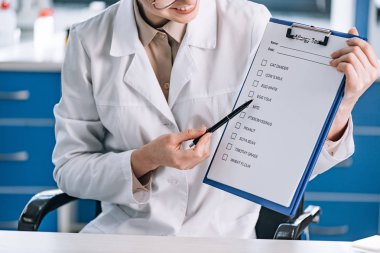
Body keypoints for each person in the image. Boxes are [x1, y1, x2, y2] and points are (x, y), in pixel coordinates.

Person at [52, 0, 380, 237]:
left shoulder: (250, 24)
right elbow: (70, 169)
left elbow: (287, 166)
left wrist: (343, 104)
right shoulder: (89, 41)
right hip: (125, 237)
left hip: (223, 239)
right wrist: (144, 159)